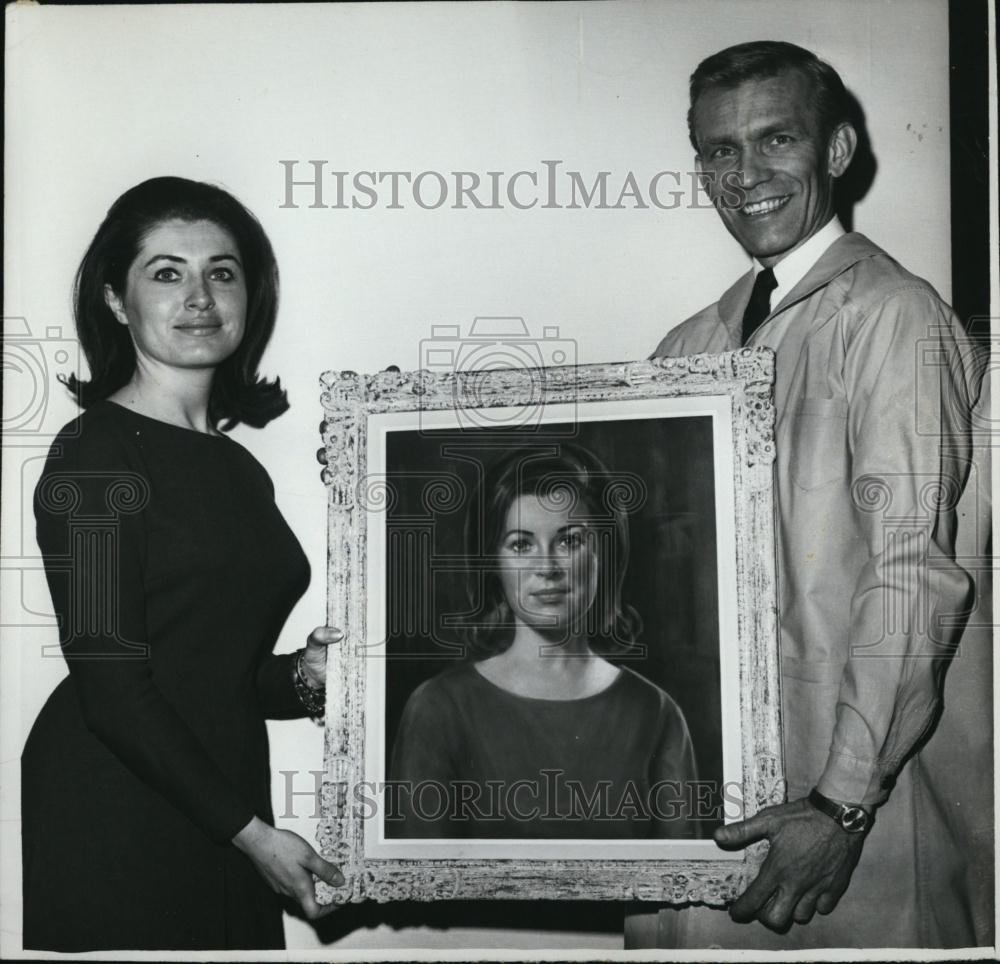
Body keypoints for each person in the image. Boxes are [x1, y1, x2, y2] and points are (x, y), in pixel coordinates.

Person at [627, 41, 987, 949]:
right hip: (701, 804)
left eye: (775, 139)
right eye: (719, 151)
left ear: (836, 151)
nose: (745, 175)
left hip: (840, 812)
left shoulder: (892, 317)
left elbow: (914, 575)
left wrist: (842, 807)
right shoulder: (689, 343)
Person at [22, 177, 343, 951]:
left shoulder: (237, 465)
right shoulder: (93, 456)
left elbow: (207, 670)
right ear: (115, 300)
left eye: (220, 272)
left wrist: (305, 673)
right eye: (166, 272)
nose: (199, 296)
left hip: (218, 792)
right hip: (119, 800)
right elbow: (114, 688)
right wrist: (256, 839)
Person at [388, 443, 698, 839]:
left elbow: (682, 888)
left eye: (570, 541)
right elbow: (417, 888)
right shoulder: (438, 708)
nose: (547, 567)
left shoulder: (656, 714)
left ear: (604, 552)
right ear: (493, 564)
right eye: (521, 545)